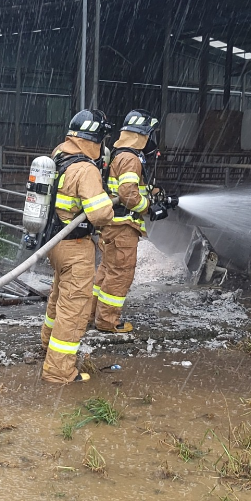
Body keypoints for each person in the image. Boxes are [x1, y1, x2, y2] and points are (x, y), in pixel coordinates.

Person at [40, 110, 115, 383]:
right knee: (75, 309)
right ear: (94, 138)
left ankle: (47, 344)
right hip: (76, 245)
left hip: (54, 243)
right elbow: (99, 214)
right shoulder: (86, 168)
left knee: (58, 298)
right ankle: (59, 371)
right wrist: (108, 203)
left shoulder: (58, 155)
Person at [90, 109, 168, 333]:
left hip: (113, 226)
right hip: (123, 227)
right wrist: (149, 208)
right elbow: (127, 193)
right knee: (120, 274)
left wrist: (154, 193)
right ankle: (107, 322)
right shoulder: (131, 158)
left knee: (106, 272)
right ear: (142, 134)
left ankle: (92, 315)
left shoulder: (120, 154)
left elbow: (129, 188)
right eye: (150, 134)